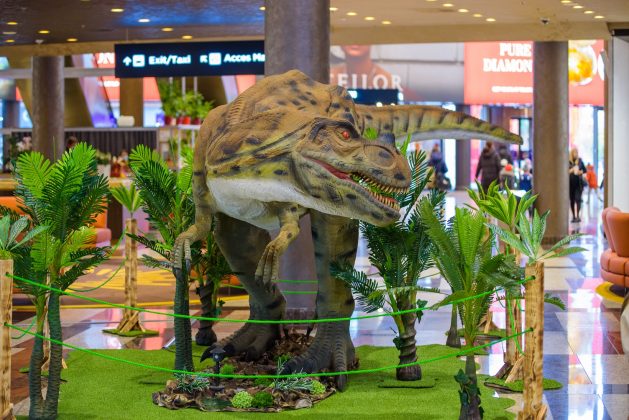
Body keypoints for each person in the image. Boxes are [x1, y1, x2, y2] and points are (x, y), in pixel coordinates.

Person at [569, 147, 586, 223]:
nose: (576, 154)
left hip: (578, 184)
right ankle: (573, 216)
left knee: (578, 199)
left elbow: (584, 170)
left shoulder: (580, 161)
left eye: (577, 152)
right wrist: (572, 170)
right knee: (572, 200)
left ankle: (578, 216)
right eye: (574, 152)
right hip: (570, 184)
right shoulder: (568, 161)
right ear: (572, 153)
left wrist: (580, 172)